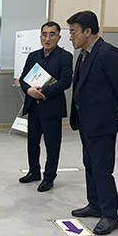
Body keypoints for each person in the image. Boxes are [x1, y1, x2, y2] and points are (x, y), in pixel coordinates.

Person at [67, 10, 118, 236]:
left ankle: (110, 215)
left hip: (101, 123)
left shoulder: (107, 53)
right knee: (90, 164)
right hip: (86, 121)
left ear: (87, 31)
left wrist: (115, 112)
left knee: (102, 169)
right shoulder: (84, 54)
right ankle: (94, 204)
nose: (70, 37)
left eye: (73, 32)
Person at [19, 21, 73, 192]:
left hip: (52, 108)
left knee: (52, 145)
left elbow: (66, 82)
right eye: (44, 34)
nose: (47, 38)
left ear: (59, 37)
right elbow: (23, 79)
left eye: (52, 34)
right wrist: (29, 90)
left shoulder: (65, 57)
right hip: (33, 106)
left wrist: (44, 92)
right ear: (40, 36)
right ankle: (34, 172)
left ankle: (49, 177)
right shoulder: (33, 56)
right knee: (32, 143)